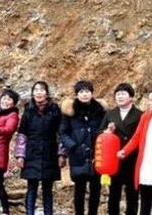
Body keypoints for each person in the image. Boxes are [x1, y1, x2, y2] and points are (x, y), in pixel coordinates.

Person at [15, 81, 63, 215]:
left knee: (48, 189)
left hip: (50, 153)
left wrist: (61, 154)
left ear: (47, 93)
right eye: (36, 90)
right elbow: (22, 134)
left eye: (42, 90)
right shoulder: (28, 110)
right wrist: (20, 155)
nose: (38, 92)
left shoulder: (54, 110)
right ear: (32, 93)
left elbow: (61, 133)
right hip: (32, 153)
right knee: (32, 188)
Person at [60, 81, 106, 215]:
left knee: (95, 188)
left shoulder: (100, 111)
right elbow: (63, 132)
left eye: (87, 91)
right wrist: (72, 146)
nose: (84, 95)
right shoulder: (70, 111)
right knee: (79, 189)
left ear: (92, 93)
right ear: (76, 94)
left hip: (96, 153)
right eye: (81, 92)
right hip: (77, 154)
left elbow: (104, 129)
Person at [100, 83, 143, 215]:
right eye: (118, 94)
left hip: (133, 159)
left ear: (131, 97)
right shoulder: (110, 114)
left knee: (132, 193)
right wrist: (108, 131)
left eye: (123, 94)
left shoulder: (140, 114)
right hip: (115, 159)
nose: (120, 97)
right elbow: (100, 133)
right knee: (114, 193)